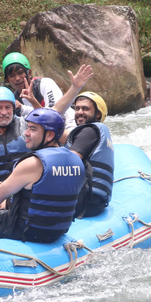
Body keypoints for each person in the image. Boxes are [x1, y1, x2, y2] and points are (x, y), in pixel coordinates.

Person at [0, 108, 85, 243]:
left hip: (26, 232)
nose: (25, 134)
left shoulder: (33, 163)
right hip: (57, 231)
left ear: (50, 135)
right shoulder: (76, 161)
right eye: (27, 128)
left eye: (33, 129)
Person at [46, 64, 115, 217]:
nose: (79, 112)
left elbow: (70, 163)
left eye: (85, 109)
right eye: (77, 108)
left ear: (97, 114)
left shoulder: (89, 131)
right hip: (92, 201)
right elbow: (50, 127)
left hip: (84, 202)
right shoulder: (89, 133)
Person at [2, 52, 75, 128]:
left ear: (29, 73)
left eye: (20, 73)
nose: (17, 78)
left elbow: (53, 116)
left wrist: (29, 104)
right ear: (7, 80)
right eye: (12, 76)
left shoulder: (45, 84)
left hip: (67, 126)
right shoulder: (14, 100)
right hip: (42, 135)